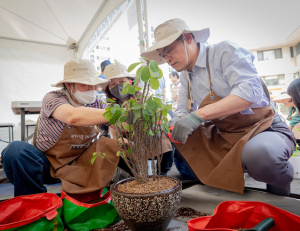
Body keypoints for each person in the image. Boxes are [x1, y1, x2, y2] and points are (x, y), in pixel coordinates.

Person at [141, 18, 295, 196]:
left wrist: (198, 115)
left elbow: (249, 92)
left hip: (264, 128)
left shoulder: (224, 51)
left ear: (188, 38)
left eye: (169, 50)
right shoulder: (185, 75)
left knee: (260, 157)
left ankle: (281, 185)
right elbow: (183, 108)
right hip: (225, 134)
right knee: (181, 144)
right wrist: (177, 120)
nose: (167, 58)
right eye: (162, 55)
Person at [1, 59, 120, 197]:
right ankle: (36, 202)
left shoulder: (97, 103)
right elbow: (72, 116)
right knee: (15, 151)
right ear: (70, 85)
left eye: (95, 86)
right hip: (46, 165)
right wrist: (117, 115)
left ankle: (106, 195)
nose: (92, 90)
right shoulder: (53, 98)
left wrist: (126, 125)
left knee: (112, 144)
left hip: (79, 164)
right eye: (86, 85)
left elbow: (118, 124)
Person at [99, 63, 173, 176]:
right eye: (113, 84)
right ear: (108, 88)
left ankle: (160, 172)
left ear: (131, 82)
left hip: (153, 147)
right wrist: (122, 141)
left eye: (122, 81)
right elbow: (114, 135)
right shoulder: (110, 108)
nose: (118, 86)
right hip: (131, 152)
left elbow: (158, 122)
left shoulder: (144, 99)